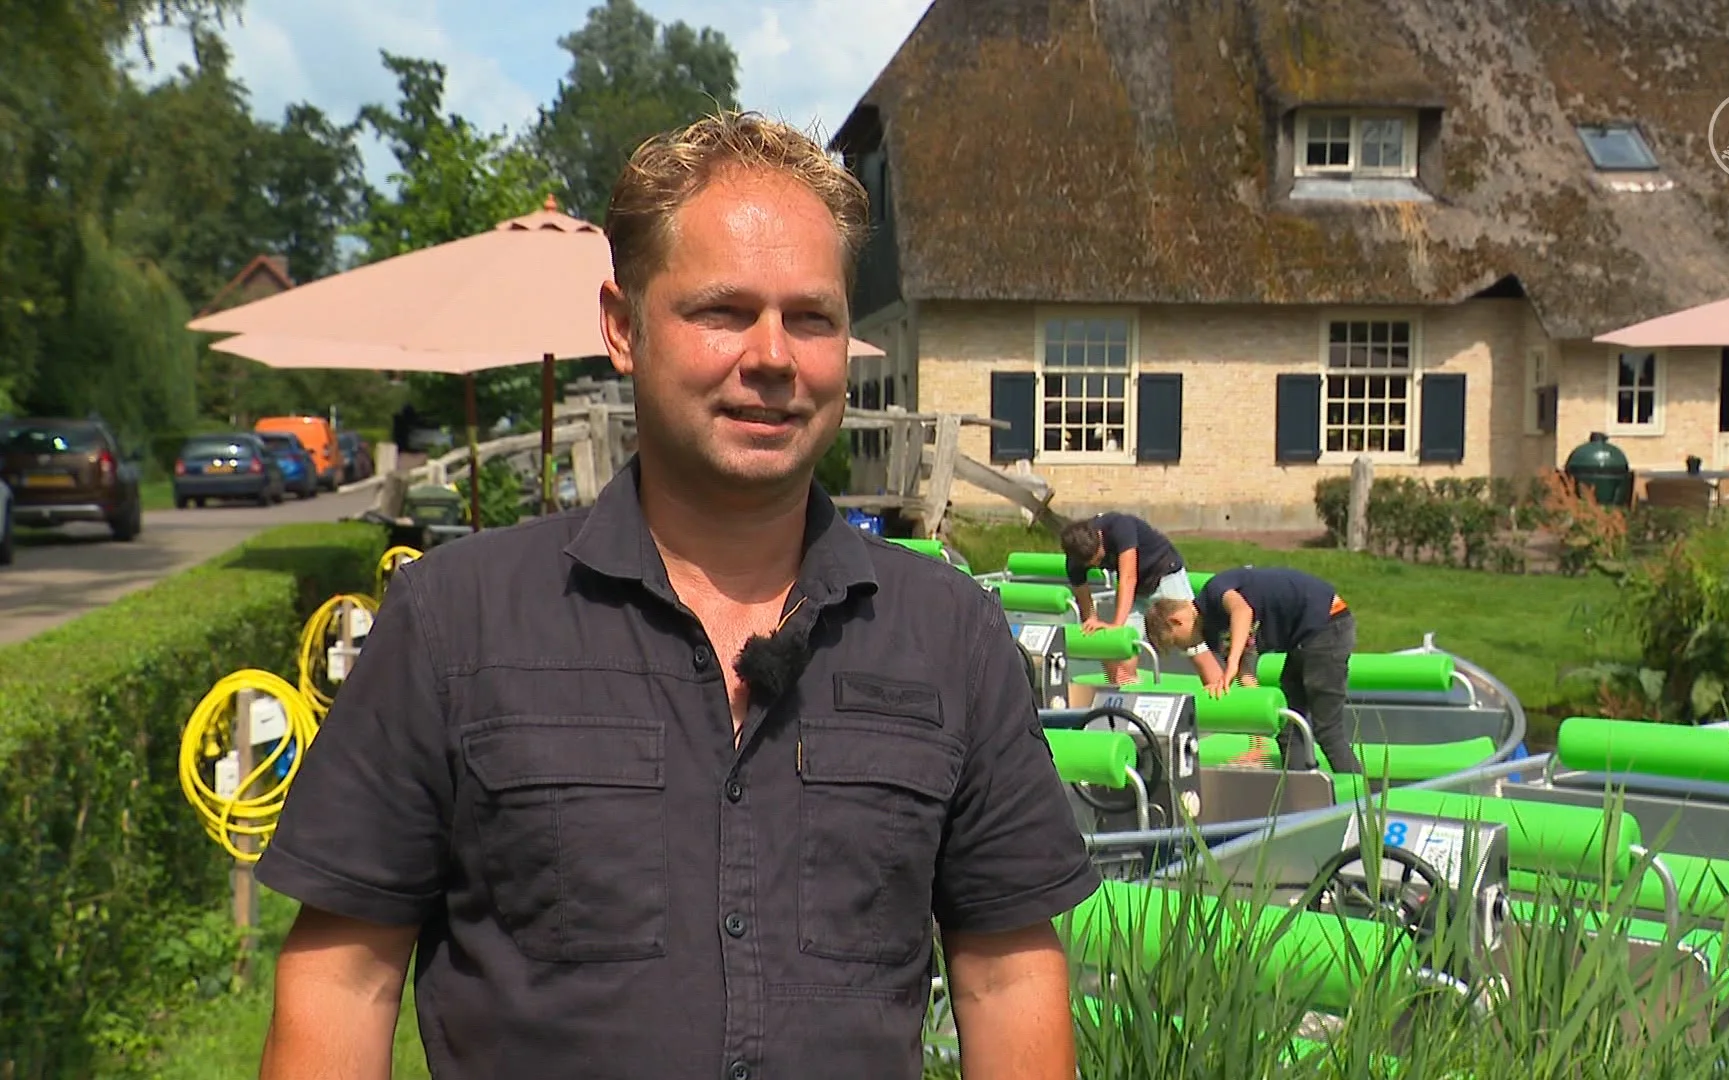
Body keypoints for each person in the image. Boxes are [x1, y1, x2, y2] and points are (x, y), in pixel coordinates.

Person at [252, 111, 1100, 1080]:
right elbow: (343, 981)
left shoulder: (949, 637)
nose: (773, 357)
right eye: (724, 312)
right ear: (623, 326)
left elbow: (1005, 978)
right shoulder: (456, 626)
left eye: (811, 317)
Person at [1142, 565, 1362, 775]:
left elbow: (1242, 610)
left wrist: (1232, 664)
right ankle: (1300, 790)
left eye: (1176, 642)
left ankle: (1361, 798)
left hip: (1327, 621)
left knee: (1327, 729)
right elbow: (1247, 678)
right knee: (1288, 727)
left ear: (1177, 620)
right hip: (1303, 638)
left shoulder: (1214, 592)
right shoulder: (1213, 634)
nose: (1185, 648)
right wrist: (1257, 746)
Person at [1058, 512, 1192, 684]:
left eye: (1099, 559)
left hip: (1163, 573)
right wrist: (1093, 625)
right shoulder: (1075, 560)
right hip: (1133, 591)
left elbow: (1128, 578)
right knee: (1122, 650)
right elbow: (1085, 604)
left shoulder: (1119, 526)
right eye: (1092, 565)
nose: (1098, 565)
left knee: (1191, 637)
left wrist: (1116, 626)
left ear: (1100, 538)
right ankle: (1125, 691)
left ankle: (1220, 684)